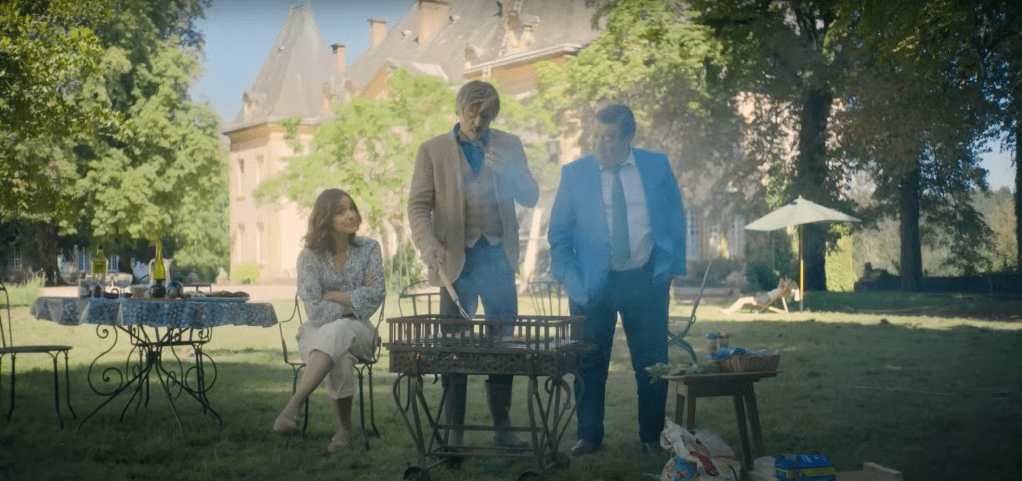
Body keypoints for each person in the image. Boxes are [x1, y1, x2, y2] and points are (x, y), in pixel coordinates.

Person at [548, 104, 687, 458]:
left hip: (646, 278)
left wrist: (672, 268)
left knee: (652, 362)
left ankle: (652, 437)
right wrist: (572, 281)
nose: (602, 145)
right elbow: (559, 236)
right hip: (592, 285)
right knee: (589, 363)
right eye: (598, 137)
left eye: (611, 138)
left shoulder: (657, 166)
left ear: (629, 136)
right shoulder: (575, 174)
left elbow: (675, 217)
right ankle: (589, 436)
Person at [407, 80, 538, 448]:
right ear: (458, 110)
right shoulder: (431, 150)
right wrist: (427, 242)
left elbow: (531, 196)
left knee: (504, 347)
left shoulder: (510, 145)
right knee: (454, 349)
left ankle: (503, 428)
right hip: (455, 265)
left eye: (487, 116)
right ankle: (454, 435)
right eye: (472, 114)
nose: (478, 122)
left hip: (498, 260)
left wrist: (511, 174)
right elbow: (418, 206)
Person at [273, 188, 385, 453]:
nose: (351, 215)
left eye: (352, 208)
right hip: (316, 331)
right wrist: (353, 300)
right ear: (325, 219)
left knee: (340, 329)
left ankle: (294, 404)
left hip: (361, 331)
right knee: (340, 353)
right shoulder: (309, 257)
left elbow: (375, 295)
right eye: (340, 211)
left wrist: (329, 294)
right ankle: (343, 433)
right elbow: (314, 310)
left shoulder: (370, 248)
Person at [719, 277, 795, 314]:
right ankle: (729, 310)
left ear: (787, 285)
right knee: (744, 301)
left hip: (765, 298)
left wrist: (787, 283)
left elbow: (787, 284)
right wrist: (783, 281)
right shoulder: (780, 288)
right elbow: (781, 280)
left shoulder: (784, 290)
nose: (783, 282)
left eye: (785, 282)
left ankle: (728, 311)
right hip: (765, 297)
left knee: (742, 300)